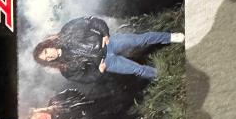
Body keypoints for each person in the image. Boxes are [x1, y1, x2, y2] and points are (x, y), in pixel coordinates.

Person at [33, 15, 184, 82]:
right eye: (46, 59)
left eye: (46, 52)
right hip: (108, 63)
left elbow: (91, 21)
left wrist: (105, 34)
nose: (49, 56)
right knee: (138, 70)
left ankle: (170, 37)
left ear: (48, 45)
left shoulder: (67, 30)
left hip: (110, 43)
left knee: (141, 40)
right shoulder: (66, 70)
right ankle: (165, 76)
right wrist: (100, 71)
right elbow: (86, 78)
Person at [29, 87, 139, 119]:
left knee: (113, 100)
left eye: (37, 115)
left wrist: (81, 99)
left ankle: (136, 95)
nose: (40, 118)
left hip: (88, 105)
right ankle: (137, 118)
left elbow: (70, 92)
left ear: (38, 111)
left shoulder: (53, 101)